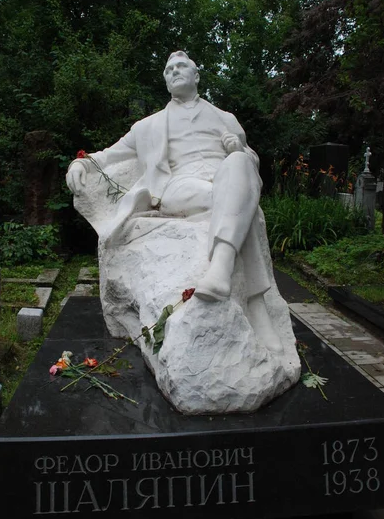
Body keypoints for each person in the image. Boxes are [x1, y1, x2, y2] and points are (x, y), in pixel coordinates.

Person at [66, 51, 282, 352]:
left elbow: (252, 165)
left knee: (237, 165)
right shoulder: (148, 126)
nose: (174, 72)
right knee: (237, 202)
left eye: (181, 67)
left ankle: (220, 270)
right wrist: (80, 164)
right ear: (166, 81)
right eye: (169, 70)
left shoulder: (225, 118)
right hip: (181, 186)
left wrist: (241, 149)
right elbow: (107, 155)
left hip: (226, 177)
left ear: (196, 76)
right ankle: (256, 305)